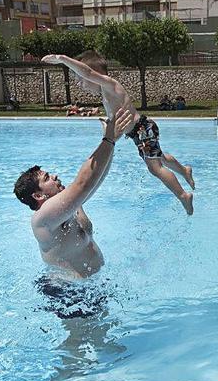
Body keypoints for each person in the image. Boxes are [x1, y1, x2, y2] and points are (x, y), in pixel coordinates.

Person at [42, 51, 195, 215]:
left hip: (142, 128)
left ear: (95, 74)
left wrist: (62, 59)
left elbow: (87, 72)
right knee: (160, 158)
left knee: (155, 167)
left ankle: (183, 196)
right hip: (138, 132)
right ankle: (184, 170)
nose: (80, 83)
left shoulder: (110, 84)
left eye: (80, 79)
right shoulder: (105, 93)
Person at [14, 108, 131, 283]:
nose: (54, 176)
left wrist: (112, 142)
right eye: (47, 178)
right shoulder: (42, 219)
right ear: (38, 195)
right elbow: (83, 183)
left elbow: (95, 180)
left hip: (90, 286)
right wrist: (107, 140)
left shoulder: (70, 207)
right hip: (67, 293)